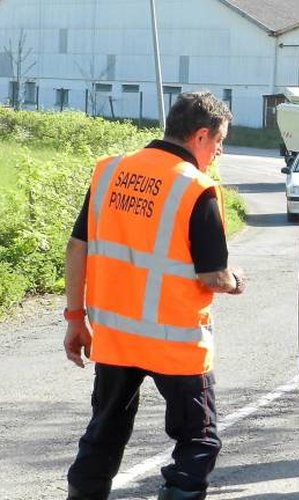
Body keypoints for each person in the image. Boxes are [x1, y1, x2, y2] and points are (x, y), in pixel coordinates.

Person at [63, 91, 244, 500]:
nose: (218, 152)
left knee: (104, 433)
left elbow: (77, 248)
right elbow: (213, 276)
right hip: (175, 344)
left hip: (115, 338)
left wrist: (76, 319)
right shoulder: (197, 189)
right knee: (198, 442)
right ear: (201, 135)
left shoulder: (109, 172)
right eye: (219, 142)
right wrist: (236, 280)